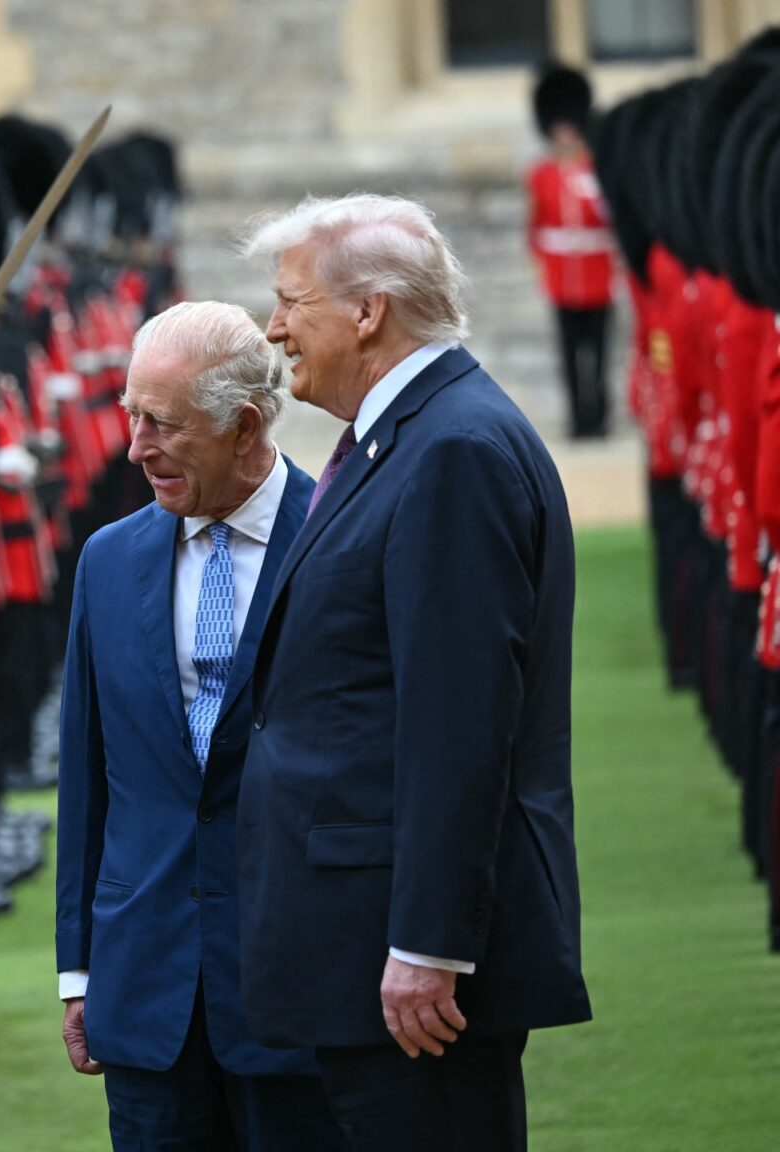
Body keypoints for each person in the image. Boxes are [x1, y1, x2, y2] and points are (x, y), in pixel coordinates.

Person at [236, 194, 591, 1151]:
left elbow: (459, 721)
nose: (273, 329)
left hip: (408, 960)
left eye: (290, 302)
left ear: (367, 312)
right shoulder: (411, 440)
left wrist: (429, 944)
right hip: (367, 936)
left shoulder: (451, 452)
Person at [56, 300, 345, 1150]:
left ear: (245, 425)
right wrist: (79, 970)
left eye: (163, 424)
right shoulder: (107, 560)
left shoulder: (342, 539)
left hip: (304, 987)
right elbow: (89, 772)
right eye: (130, 415)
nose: (135, 447)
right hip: (147, 993)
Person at [527, 64, 616, 439]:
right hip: (563, 278)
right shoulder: (540, 174)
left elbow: (608, 220)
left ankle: (599, 416)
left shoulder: (595, 170)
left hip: (597, 276)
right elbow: (537, 227)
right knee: (569, 355)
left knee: (598, 353)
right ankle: (578, 418)